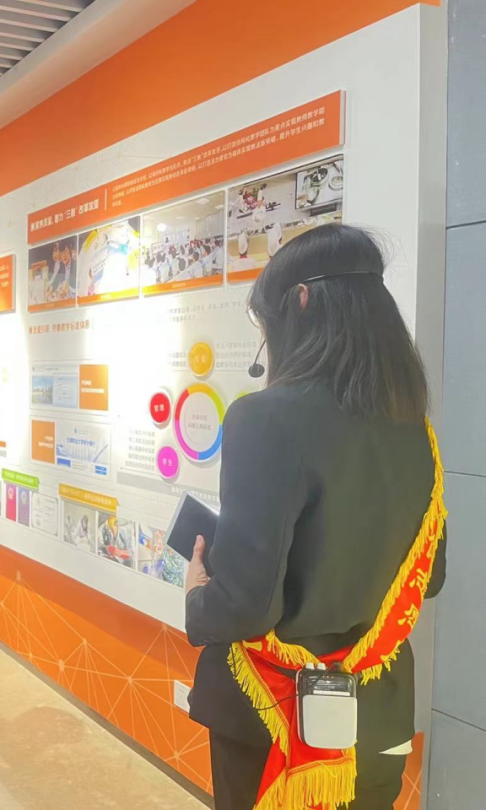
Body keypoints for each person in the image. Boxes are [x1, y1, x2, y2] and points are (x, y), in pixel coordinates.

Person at [183, 224, 447, 810]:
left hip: (274, 724)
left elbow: (247, 607)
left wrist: (198, 595)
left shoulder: (264, 418)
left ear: (300, 301)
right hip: (377, 719)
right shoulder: (417, 431)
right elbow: (429, 577)